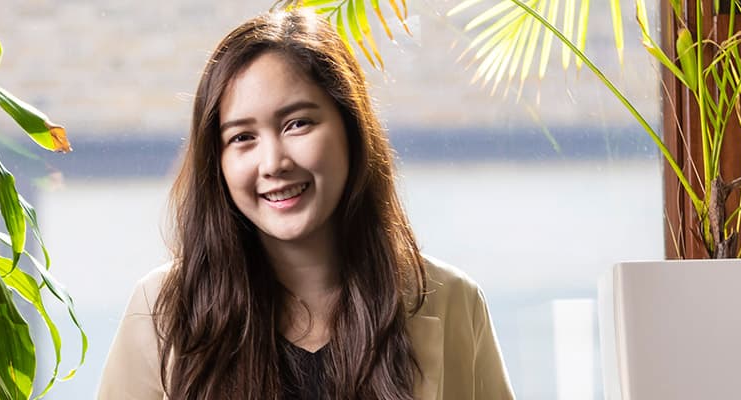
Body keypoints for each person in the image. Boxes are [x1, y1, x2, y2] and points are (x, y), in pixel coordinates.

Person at [97, 9, 515, 400]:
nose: (273, 163)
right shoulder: (158, 311)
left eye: (297, 123)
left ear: (351, 128)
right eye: (242, 137)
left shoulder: (454, 301)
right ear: (217, 161)